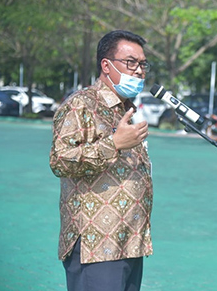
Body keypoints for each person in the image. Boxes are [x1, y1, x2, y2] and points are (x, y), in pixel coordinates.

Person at [49, 30, 153, 291]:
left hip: (129, 239)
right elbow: (60, 160)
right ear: (106, 65)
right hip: (96, 246)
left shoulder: (126, 108)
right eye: (131, 62)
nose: (139, 70)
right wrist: (114, 144)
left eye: (142, 64)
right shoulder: (81, 105)